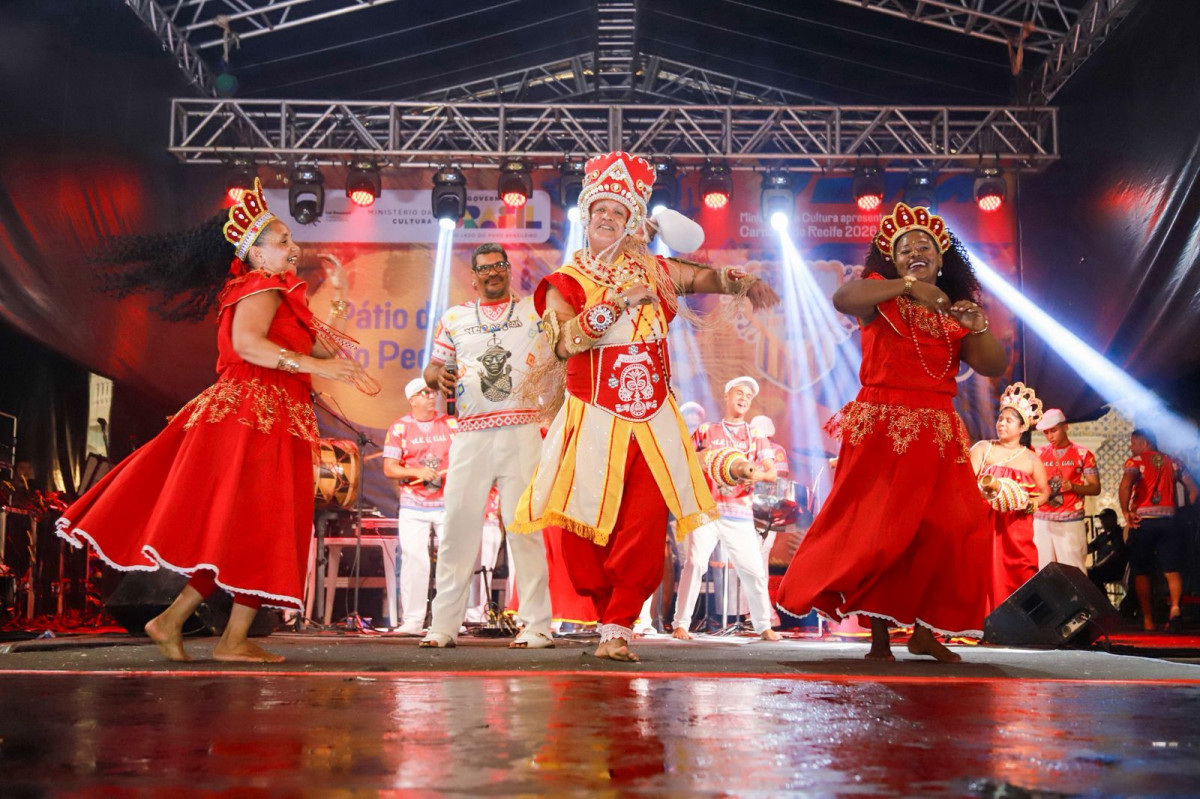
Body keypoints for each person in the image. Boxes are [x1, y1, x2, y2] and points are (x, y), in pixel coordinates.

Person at [56, 178, 368, 662]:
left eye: (290, 238)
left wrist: (343, 296)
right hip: (252, 414)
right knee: (258, 521)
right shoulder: (260, 285)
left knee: (256, 525)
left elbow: (324, 348)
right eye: (282, 240)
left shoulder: (285, 294)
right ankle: (221, 634)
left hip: (276, 416)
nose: (293, 246)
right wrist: (319, 368)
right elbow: (248, 347)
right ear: (256, 254)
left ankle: (188, 625)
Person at [510, 151, 780, 661]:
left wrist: (740, 283)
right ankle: (603, 610)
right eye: (600, 210)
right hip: (593, 416)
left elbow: (703, 277)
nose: (608, 217)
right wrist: (616, 302)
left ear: (633, 220)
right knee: (583, 530)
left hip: (653, 420)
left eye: (619, 211)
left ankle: (619, 626)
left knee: (644, 525)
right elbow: (565, 343)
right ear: (587, 218)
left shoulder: (655, 270)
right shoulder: (565, 281)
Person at [775, 202, 1007, 662]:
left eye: (925, 246)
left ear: (943, 260)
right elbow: (843, 299)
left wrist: (976, 327)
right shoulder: (881, 295)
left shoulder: (953, 311)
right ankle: (880, 639)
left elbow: (991, 365)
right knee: (881, 532)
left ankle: (924, 632)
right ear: (893, 260)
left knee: (955, 525)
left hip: (938, 429)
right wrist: (908, 287)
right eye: (905, 249)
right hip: (884, 423)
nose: (915, 252)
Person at [419, 243, 554, 649]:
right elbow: (431, 368)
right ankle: (443, 626)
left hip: (523, 430)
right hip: (471, 434)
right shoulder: (456, 317)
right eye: (484, 269)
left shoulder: (534, 309)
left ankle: (538, 625)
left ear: (508, 271)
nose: (492, 273)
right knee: (458, 527)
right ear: (473, 276)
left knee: (524, 527)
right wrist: (436, 376)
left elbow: (562, 353)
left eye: (499, 266)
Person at [672, 377, 781, 641]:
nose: (743, 398)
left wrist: (750, 475)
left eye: (748, 396)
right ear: (727, 395)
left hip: (739, 512)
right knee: (695, 563)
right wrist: (703, 462)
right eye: (739, 393)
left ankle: (763, 625)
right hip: (706, 511)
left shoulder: (756, 435)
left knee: (753, 571)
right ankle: (681, 624)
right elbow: (683, 458)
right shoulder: (707, 430)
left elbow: (772, 473)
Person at [382, 377, 456, 635]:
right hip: (413, 504)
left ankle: (447, 621)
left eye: (432, 392)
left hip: (447, 502)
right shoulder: (399, 428)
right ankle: (413, 620)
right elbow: (389, 468)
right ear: (412, 399)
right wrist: (417, 471)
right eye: (423, 392)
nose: (430, 396)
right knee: (415, 560)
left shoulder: (450, 424)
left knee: (451, 560)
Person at [970, 382, 1050, 609]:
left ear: (1022, 427)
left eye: (1009, 420)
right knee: (981, 568)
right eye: (1000, 419)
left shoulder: (1032, 459)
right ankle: (981, 619)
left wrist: (1033, 503)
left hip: (1016, 525)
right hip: (984, 522)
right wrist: (987, 491)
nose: (1002, 423)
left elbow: (1044, 493)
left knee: (1021, 568)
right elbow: (965, 483)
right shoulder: (983, 448)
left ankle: (1019, 622)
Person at [1119, 429, 1199, 631]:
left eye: (1133, 443)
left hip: (1144, 521)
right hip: (1169, 522)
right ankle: (1174, 610)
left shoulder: (1135, 462)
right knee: (1172, 570)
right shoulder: (1173, 462)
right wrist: (1183, 513)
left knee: (1141, 571)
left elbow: (1126, 485)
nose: (1131, 447)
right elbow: (1194, 489)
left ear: (1143, 443)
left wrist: (1126, 511)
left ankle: (1147, 620)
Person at [1032, 408, 1101, 570]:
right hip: (1042, 520)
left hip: (1070, 521)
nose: (1050, 436)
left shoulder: (1083, 454)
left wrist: (1073, 486)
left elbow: (1095, 488)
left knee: (1074, 570)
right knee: (1043, 570)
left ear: (1066, 427)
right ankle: (1047, 597)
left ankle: (1078, 597)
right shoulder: (1038, 453)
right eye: (1046, 433)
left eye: (1053, 431)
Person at [1087, 508, 1128, 592]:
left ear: (1114, 519)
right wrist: (1084, 534)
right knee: (1085, 574)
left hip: (1115, 569)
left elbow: (1114, 554)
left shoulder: (1119, 534)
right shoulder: (1102, 536)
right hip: (1101, 569)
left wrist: (1098, 566)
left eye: (1105, 518)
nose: (1102, 521)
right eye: (1101, 519)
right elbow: (1088, 550)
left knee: (1093, 575)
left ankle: (1102, 602)